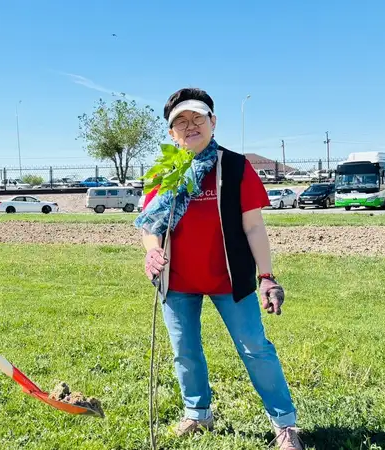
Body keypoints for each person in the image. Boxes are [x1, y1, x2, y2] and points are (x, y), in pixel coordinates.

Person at [134, 87, 303, 450]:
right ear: (170, 132)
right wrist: (151, 252)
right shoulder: (162, 172)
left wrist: (267, 276)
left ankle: (285, 425)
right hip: (177, 281)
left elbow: (254, 227)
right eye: (181, 121)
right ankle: (197, 414)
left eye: (198, 118)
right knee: (185, 349)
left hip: (231, 279)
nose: (190, 125)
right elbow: (150, 226)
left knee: (255, 347)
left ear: (213, 122)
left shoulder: (237, 166)